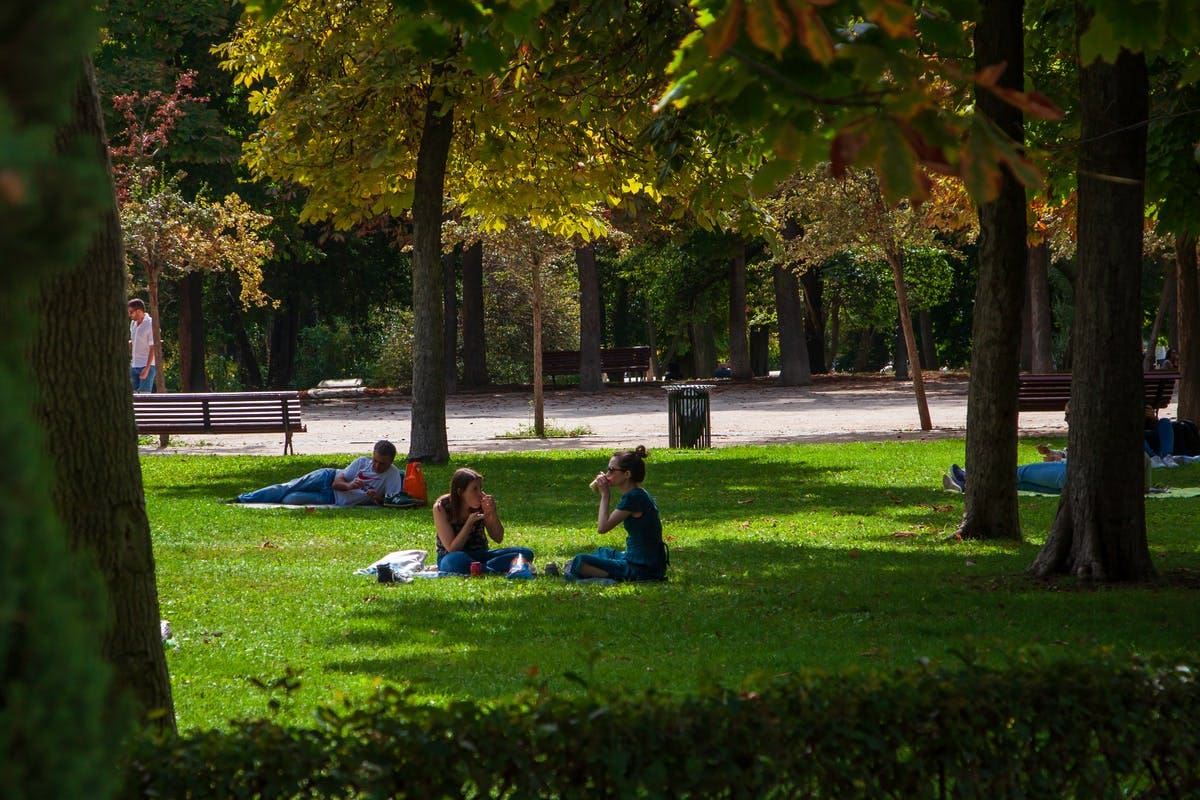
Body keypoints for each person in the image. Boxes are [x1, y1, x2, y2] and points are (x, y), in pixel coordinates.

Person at [565, 445, 668, 581]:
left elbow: (602, 528)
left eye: (611, 470)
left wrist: (605, 496)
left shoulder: (634, 497)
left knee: (580, 561)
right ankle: (591, 572)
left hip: (642, 567)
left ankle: (605, 577)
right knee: (602, 552)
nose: (607, 475)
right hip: (643, 560)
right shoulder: (638, 494)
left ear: (627, 474)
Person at [230, 440, 403, 505]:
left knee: (289, 499)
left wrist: (377, 497)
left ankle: (298, 482)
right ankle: (242, 498)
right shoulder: (361, 462)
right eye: (375, 461)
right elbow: (337, 482)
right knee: (286, 488)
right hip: (327, 478)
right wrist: (350, 485)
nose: (377, 466)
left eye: (383, 464)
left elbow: (392, 502)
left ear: (391, 462)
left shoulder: (393, 474)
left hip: (332, 498)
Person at [433, 468, 532, 575]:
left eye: (480, 488)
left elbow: (498, 537)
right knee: (453, 561)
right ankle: (492, 570)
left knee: (525, 553)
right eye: (474, 489)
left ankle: (481, 568)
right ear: (460, 492)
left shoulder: (482, 503)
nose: (480, 494)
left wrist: (492, 513)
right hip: (452, 556)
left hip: (481, 554)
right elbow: (452, 549)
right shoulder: (442, 507)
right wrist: (469, 524)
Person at [128, 298, 156, 392]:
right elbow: (134, 341)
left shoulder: (151, 324)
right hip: (134, 365)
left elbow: (153, 347)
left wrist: (147, 368)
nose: (129, 315)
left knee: (144, 399)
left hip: (146, 366)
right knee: (132, 399)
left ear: (139, 311)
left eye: (131, 312)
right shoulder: (133, 323)